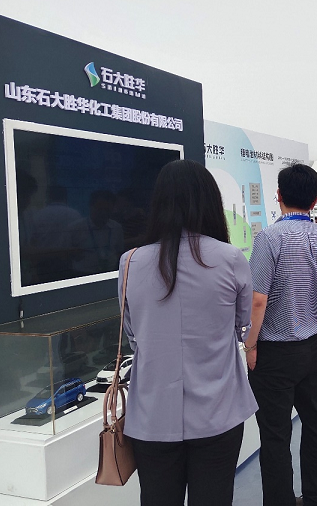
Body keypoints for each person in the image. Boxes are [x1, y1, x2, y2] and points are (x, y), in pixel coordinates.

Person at [119, 160, 258, 506]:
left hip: (152, 413)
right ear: (210, 202)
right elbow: (241, 325)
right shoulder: (231, 258)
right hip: (219, 410)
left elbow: (132, 334)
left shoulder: (130, 261)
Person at [244, 164, 317, 506]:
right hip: (314, 347)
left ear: (278, 195)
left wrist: (250, 344)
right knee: (316, 423)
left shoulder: (269, 237)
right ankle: (316, 497)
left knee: (275, 434)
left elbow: (258, 299)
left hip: (275, 352)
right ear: (314, 200)